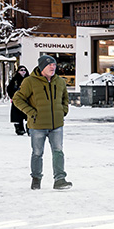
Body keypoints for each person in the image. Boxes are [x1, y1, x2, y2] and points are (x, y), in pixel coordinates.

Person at [13, 55, 72, 190]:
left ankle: (60, 180)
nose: (53, 67)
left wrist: (63, 111)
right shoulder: (30, 81)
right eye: (49, 65)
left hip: (56, 125)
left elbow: (65, 99)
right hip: (37, 125)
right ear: (41, 67)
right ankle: (36, 179)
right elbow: (18, 99)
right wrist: (32, 113)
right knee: (37, 153)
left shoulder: (60, 82)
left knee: (58, 152)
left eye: (54, 65)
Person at [7, 65, 30, 135]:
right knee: (17, 116)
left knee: (28, 115)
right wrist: (13, 96)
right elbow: (9, 89)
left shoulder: (29, 79)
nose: (23, 72)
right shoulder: (15, 80)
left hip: (27, 100)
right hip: (17, 100)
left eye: (24, 70)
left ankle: (29, 129)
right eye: (21, 70)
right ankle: (19, 128)